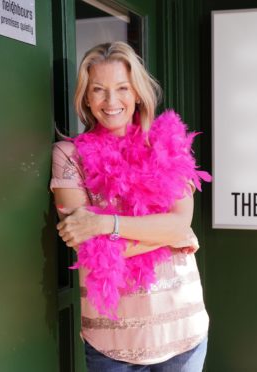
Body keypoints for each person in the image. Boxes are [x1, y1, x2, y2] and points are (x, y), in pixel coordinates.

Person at [50, 41, 209, 371]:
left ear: (137, 93)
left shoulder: (167, 142)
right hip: (112, 341)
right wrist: (168, 235)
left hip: (183, 332)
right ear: (86, 97)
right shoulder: (68, 156)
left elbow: (179, 223)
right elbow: (87, 245)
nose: (111, 101)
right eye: (98, 90)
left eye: (122, 88)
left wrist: (106, 224)